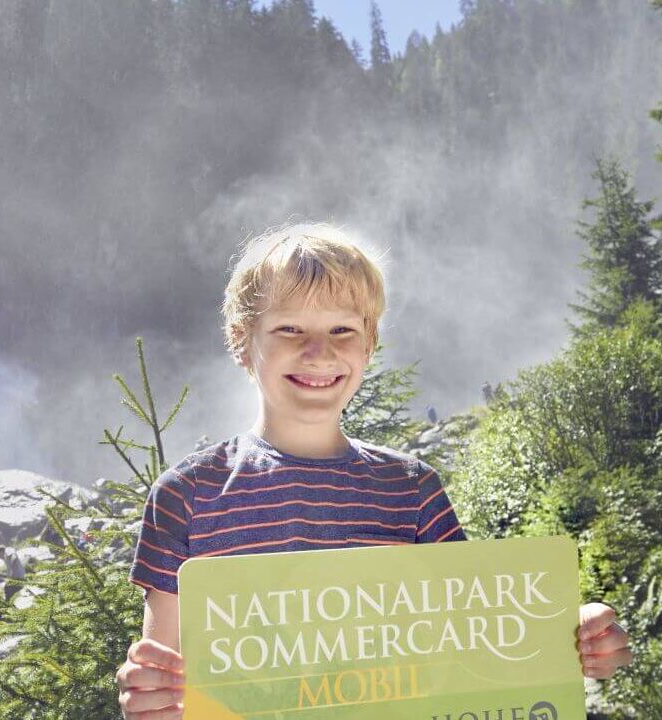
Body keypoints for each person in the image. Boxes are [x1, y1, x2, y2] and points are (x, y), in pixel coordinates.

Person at [115, 224, 633, 718]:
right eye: (289, 328)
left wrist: (573, 643)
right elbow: (165, 676)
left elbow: (478, 651)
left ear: (369, 342)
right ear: (241, 339)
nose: (320, 352)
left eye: (342, 329)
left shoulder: (413, 491)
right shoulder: (185, 497)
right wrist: (147, 696)